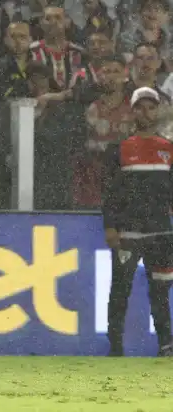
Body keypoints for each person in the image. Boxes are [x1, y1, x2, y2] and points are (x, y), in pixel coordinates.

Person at [102, 86, 173, 357]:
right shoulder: (119, 149)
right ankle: (115, 347)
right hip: (128, 233)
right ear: (132, 112)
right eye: (140, 107)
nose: (146, 112)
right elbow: (110, 192)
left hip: (161, 233)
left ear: (157, 111)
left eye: (151, 107)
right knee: (120, 290)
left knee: (160, 291)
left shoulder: (169, 149)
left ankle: (166, 345)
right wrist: (110, 226)